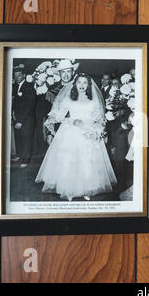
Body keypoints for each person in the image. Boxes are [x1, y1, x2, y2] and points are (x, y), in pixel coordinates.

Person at [35, 73, 117, 201]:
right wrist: (72, 122)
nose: (82, 85)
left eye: (85, 83)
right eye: (79, 82)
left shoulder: (93, 100)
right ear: (75, 84)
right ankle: (69, 190)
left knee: (88, 161)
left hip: (89, 132)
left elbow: (100, 118)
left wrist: (97, 130)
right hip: (70, 131)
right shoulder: (68, 99)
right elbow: (58, 116)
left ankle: (87, 189)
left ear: (88, 85)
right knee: (70, 160)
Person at [12, 65, 36, 168]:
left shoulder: (29, 86)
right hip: (17, 116)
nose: (17, 77)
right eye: (15, 76)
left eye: (19, 75)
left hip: (27, 118)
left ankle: (26, 160)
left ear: (24, 75)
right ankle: (20, 155)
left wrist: (21, 121)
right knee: (19, 137)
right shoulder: (14, 86)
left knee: (26, 138)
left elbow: (30, 106)